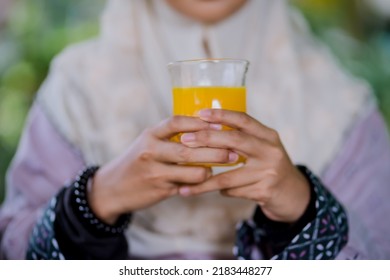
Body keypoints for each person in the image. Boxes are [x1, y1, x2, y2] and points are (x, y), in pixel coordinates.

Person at [0, 0, 389, 260]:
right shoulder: (76, 87)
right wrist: (96, 199)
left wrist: (303, 207)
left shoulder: (341, 103)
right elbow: (12, 253)